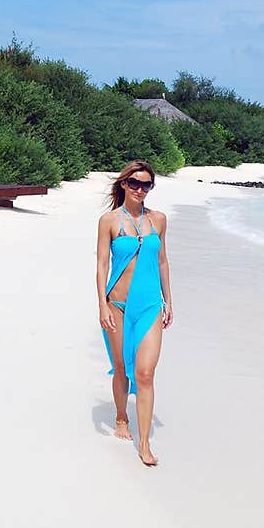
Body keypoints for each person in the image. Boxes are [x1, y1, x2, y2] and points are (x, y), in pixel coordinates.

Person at [96, 160, 173, 466]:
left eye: (147, 185)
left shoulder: (159, 219)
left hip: (150, 305)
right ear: (124, 184)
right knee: (121, 368)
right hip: (117, 304)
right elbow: (102, 264)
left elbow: (163, 261)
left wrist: (169, 301)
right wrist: (102, 304)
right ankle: (120, 417)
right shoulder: (109, 221)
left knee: (145, 372)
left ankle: (143, 444)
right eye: (135, 183)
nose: (141, 189)